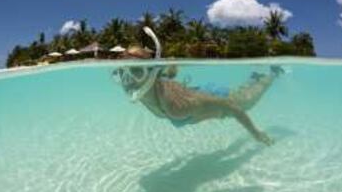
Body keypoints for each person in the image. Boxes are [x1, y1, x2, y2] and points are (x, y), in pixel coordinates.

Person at [112, 46, 283, 146]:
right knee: (244, 94)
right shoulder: (144, 89)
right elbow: (165, 77)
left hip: (218, 99)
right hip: (196, 93)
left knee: (247, 100)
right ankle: (254, 78)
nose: (128, 82)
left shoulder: (177, 106)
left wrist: (256, 134)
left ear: (150, 73)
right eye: (122, 73)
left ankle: (272, 74)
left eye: (135, 71)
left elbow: (232, 107)